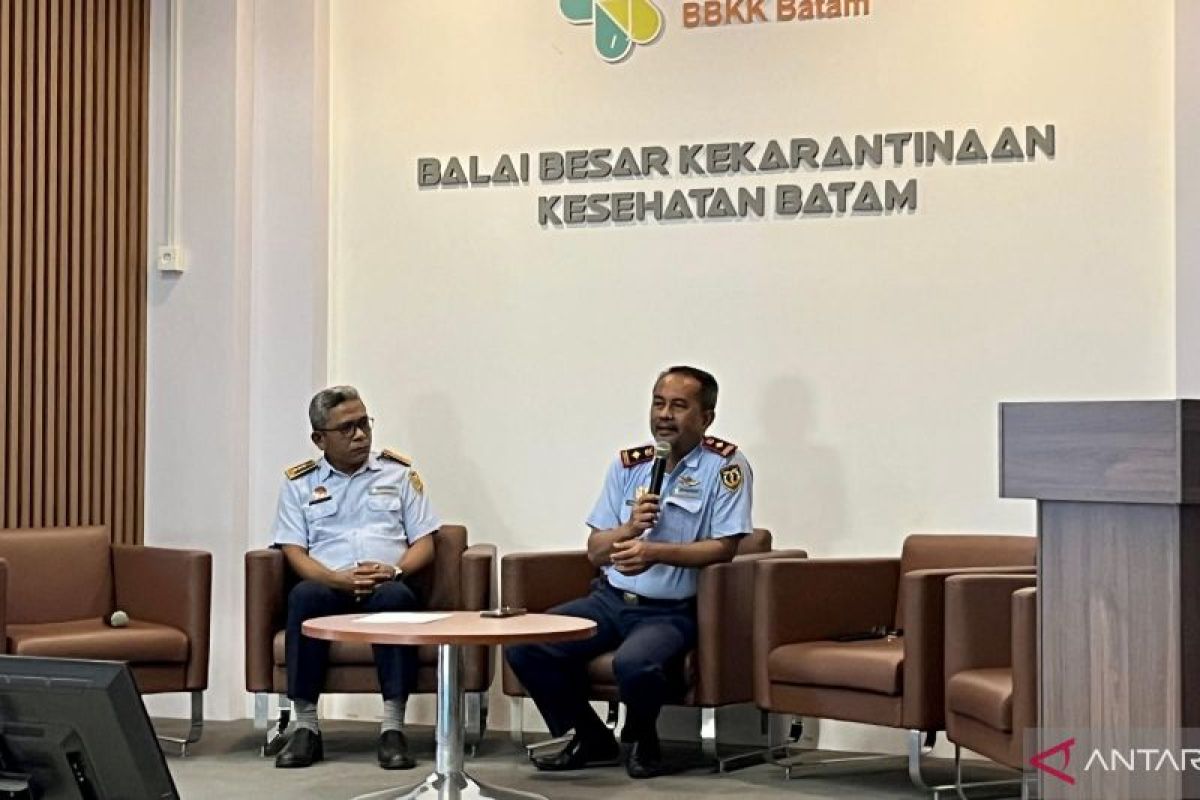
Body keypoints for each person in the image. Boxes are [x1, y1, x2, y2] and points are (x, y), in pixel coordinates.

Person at [505, 366, 753, 779]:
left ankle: (643, 742)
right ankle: (591, 738)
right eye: (658, 403)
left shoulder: (725, 467)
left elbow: (725, 548)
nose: (664, 415)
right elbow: (595, 550)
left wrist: (656, 552)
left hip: (670, 610)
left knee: (635, 664)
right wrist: (629, 528)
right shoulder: (628, 466)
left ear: (706, 417)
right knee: (526, 646)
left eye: (679, 406)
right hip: (609, 599)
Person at [269, 386, 441, 770]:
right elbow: (293, 550)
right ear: (319, 439)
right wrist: (334, 579)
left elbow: (425, 543)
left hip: (386, 585)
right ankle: (306, 727)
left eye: (364, 423)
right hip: (329, 586)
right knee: (304, 597)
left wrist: (395, 570)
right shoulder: (299, 484)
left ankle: (393, 729)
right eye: (347, 428)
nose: (360, 435)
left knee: (396, 598)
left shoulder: (398, 474)